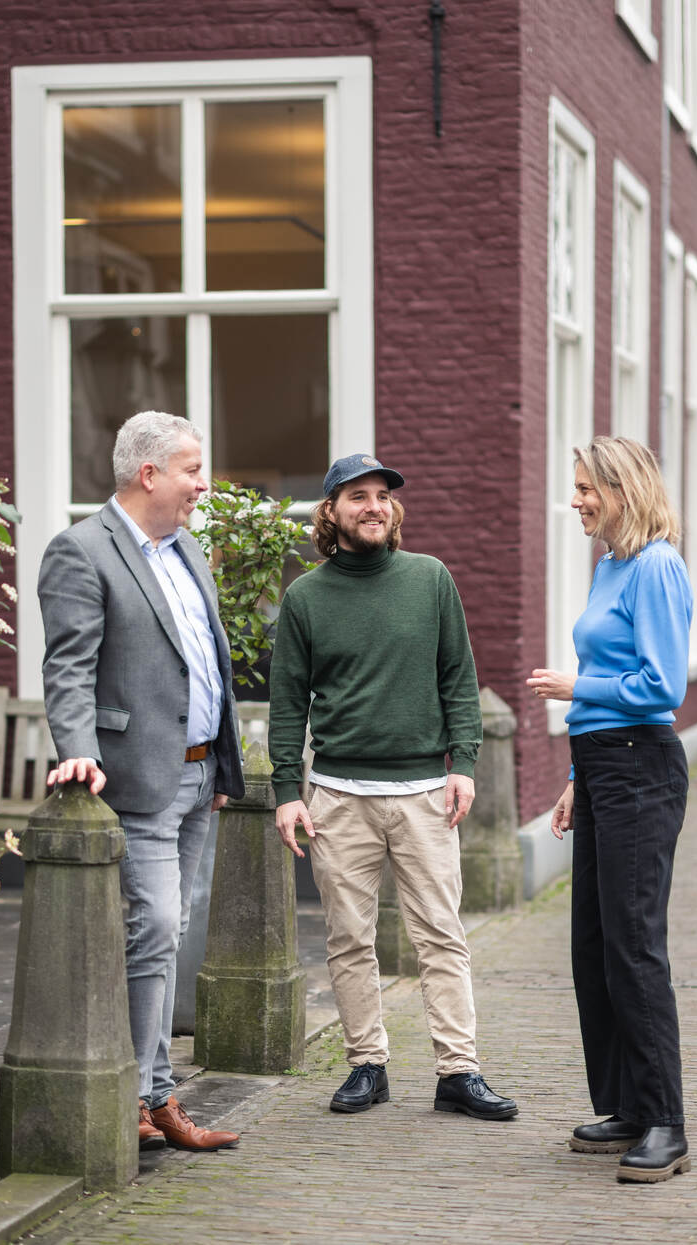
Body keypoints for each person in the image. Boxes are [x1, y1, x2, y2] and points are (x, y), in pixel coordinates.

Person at [269, 453, 518, 1121]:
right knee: (350, 937)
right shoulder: (305, 598)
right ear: (332, 511)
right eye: (358, 496)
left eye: (382, 495)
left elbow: (459, 680)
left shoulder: (430, 579)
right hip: (337, 795)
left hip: (422, 792)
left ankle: (458, 1072)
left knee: (441, 933)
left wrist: (463, 761)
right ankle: (367, 1065)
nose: (375, 506)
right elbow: (288, 701)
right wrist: (286, 791)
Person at [38, 410, 245, 1154]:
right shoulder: (81, 552)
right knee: (153, 928)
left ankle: (149, 1091)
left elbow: (207, 664)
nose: (204, 483)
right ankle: (144, 1093)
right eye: (193, 468)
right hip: (137, 777)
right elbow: (67, 666)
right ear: (148, 472)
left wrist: (220, 761)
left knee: (167, 931)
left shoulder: (188, 548)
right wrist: (78, 747)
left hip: (197, 780)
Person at [527, 435, 692, 1184]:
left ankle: (666, 1121)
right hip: (600, 767)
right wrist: (571, 776)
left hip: (640, 766)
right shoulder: (610, 567)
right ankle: (625, 1103)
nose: (578, 499)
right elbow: (607, 671)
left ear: (625, 489)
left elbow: (663, 687)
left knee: (633, 944)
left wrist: (573, 689)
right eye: (577, 486)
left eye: (589, 487)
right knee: (593, 946)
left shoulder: (657, 565)